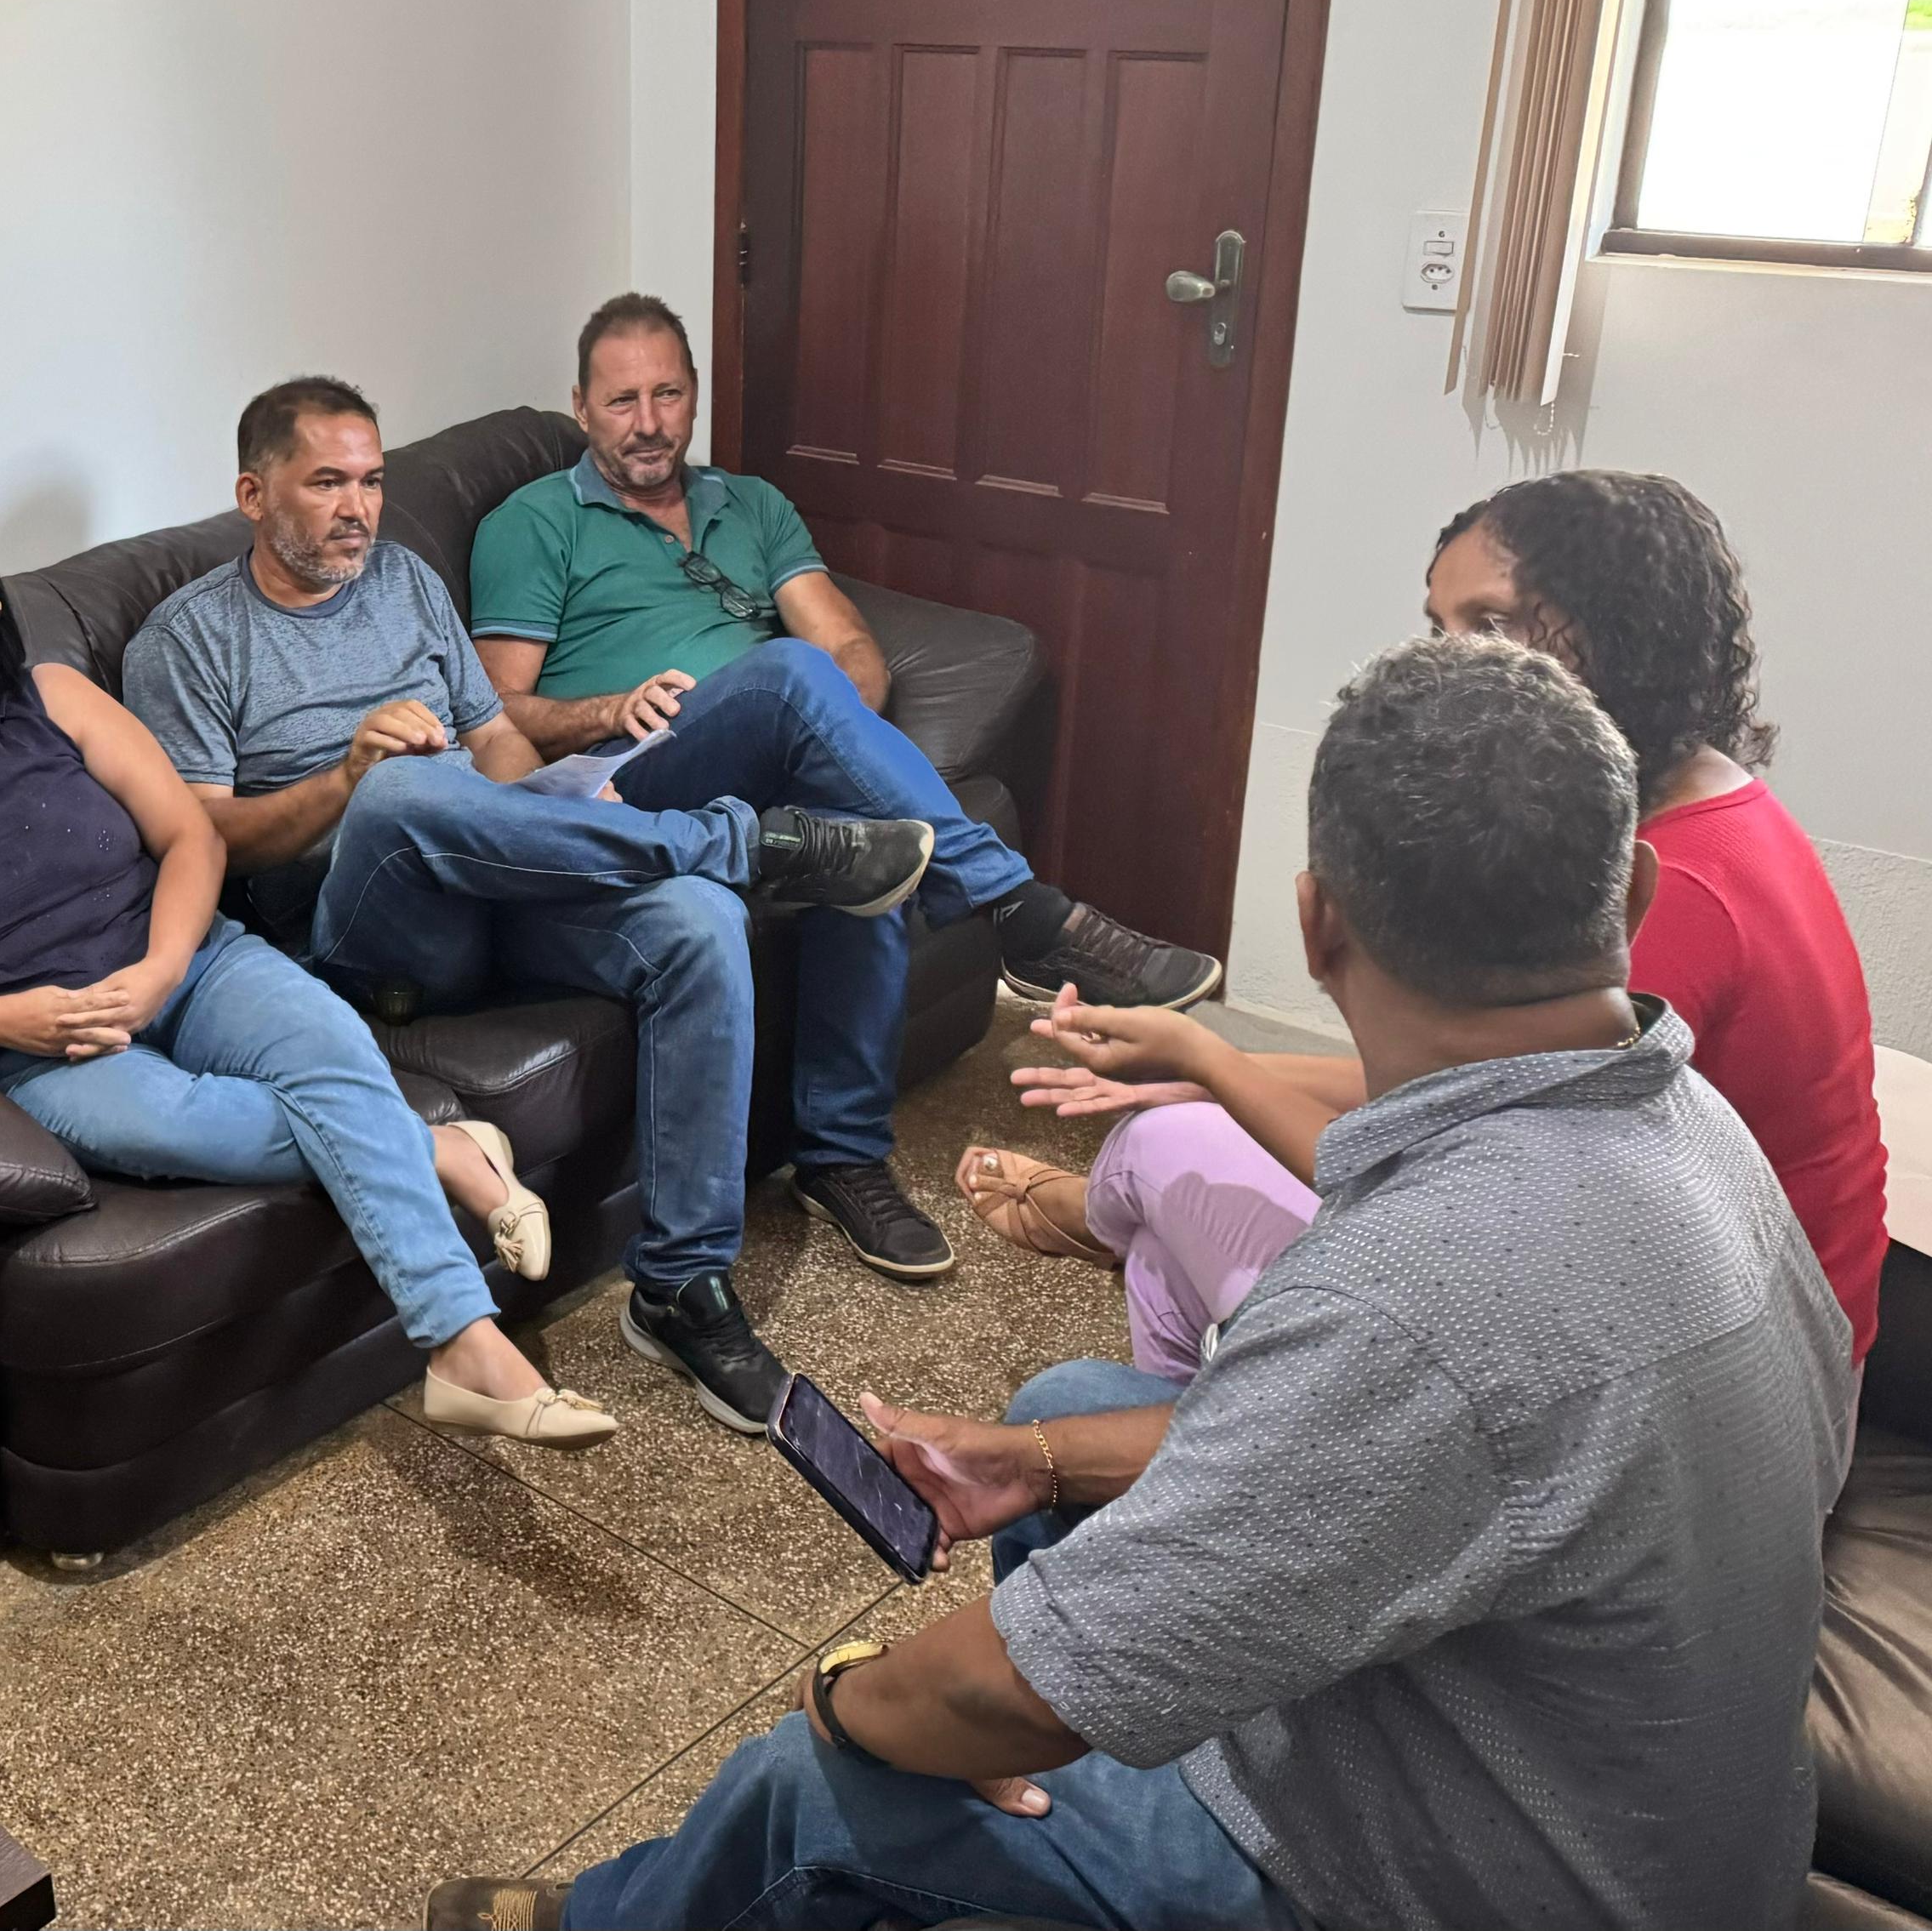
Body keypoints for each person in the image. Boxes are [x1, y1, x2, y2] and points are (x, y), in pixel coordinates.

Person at [430, 635, 1853, 1931]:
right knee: (1067, 1410)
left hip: (1448, 1884)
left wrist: (846, 1698)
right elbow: (1426, 1449)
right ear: (1634, 891)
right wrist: (1042, 1462)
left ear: (1318, 927)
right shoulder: (1694, 1127)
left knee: (815, 1785)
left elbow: (997, 1690)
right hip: (1618, 1802)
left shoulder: (1418, 1295)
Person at [123, 378, 940, 1440]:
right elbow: (202, 840)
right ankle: (752, 842)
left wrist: (558, 816)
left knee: (697, 922)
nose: (357, 509)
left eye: (370, 482)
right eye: (325, 484)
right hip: (366, 931)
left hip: (495, 873)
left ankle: (681, 1285)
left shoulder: (405, 580)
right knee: (400, 790)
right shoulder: (186, 640)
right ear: (252, 494)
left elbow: (496, 744)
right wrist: (346, 775)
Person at [962, 470, 1888, 1376]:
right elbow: (1467, 1084)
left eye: (1490, 627)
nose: (1451, 669)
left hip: (1697, 1355)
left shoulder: (1669, 892)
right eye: (1439, 630)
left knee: (1159, 1152)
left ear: (1625, 634)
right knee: (1173, 1204)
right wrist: (1199, 1064)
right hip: (1699, 1301)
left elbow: (1454, 1182)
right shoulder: (1714, 801)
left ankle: (1120, 1252)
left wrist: (1213, 1068)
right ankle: (1181, 1378)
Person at [0, 516, 615, 1448]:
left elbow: (190, 837)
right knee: (182, 1126)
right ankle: (442, 1151)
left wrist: (161, 968)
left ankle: (464, 1345)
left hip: (190, 960)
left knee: (332, 1051)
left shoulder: (56, 697)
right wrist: (4, 1021)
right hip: (38, 1042)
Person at [470, 293, 1224, 1279]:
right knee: (787, 675)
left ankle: (841, 1157)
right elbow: (495, 711)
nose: (647, 423)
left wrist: (820, 731)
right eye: (620, 402)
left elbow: (852, 651)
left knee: (869, 843)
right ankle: (1018, 911)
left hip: (765, 769)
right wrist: (615, 707)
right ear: (579, 407)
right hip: (637, 778)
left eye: (667, 395)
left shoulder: (751, 507)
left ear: (694, 393)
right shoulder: (533, 523)